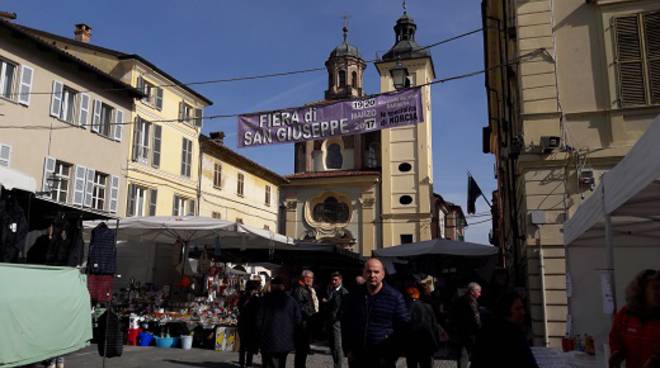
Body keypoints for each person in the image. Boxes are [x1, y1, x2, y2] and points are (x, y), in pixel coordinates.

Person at [342, 258, 410, 368]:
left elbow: (403, 328)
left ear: (383, 274)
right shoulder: (354, 296)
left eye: (376, 272)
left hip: (383, 358)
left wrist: (392, 355)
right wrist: (348, 349)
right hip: (357, 357)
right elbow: (346, 322)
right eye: (369, 271)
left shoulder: (395, 297)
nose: (372, 275)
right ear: (363, 273)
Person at [470, 291, 538, 368]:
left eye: (522, 308)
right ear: (506, 310)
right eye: (518, 309)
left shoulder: (486, 331)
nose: (523, 312)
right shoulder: (514, 335)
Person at [609, 269, 660, 368]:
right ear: (641, 290)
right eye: (656, 288)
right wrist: (616, 353)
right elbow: (615, 338)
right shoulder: (625, 314)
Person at [256, 276, 302, 368]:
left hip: (268, 339)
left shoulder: (264, 300)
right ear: (283, 286)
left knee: (269, 363)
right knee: (281, 363)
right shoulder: (291, 301)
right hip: (285, 340)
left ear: (272, 286)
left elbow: (258, 321)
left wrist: (259, 336)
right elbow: (298, 320)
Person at [404, 287, 442, 368]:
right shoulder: (427, 306)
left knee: (412, 363)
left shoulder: (405, 307)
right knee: (426, 364)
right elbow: (434, 325)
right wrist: (436, 341)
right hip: (426, 340)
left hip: (410, 342)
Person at [291, 270, 319, 368]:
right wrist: (311, 314)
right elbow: (300, 306)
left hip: (305, 324)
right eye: (309, 277)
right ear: (304, 278)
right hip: (302, 325)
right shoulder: (300, 289)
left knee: (303, 351)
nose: (311, 280)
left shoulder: (305, 289)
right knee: (301, 350)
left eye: (312, 278)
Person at [451, 282, 482, 368]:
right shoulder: (471, 301)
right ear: (472, 292)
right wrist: (480, 329)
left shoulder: (459, 300)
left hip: (460, 332)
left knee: (462, 355)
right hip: (470, 334)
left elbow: (452, 315)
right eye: (478, 292)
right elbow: (476, 319)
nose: (480, 294)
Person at [323, 272, 349, 368]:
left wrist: (338, 318)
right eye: (332, 280)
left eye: (336, 280)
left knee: (337, 345)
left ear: (341, 280)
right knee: (332, 344)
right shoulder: (331, 290)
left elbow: (344, 308)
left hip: (337, 322)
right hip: (330, 320)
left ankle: (338, 365)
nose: (334, 282)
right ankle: (335, 363)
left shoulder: (344, 292)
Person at [237, 280, 261, 368]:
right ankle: (248, 363)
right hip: (251, 325)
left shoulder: (243, 297)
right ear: (253, 289)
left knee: (243, 345)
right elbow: (258, 312)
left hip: (243, 324)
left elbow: (239, 308)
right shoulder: (255, 299)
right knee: (249, 345)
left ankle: (242, 362)